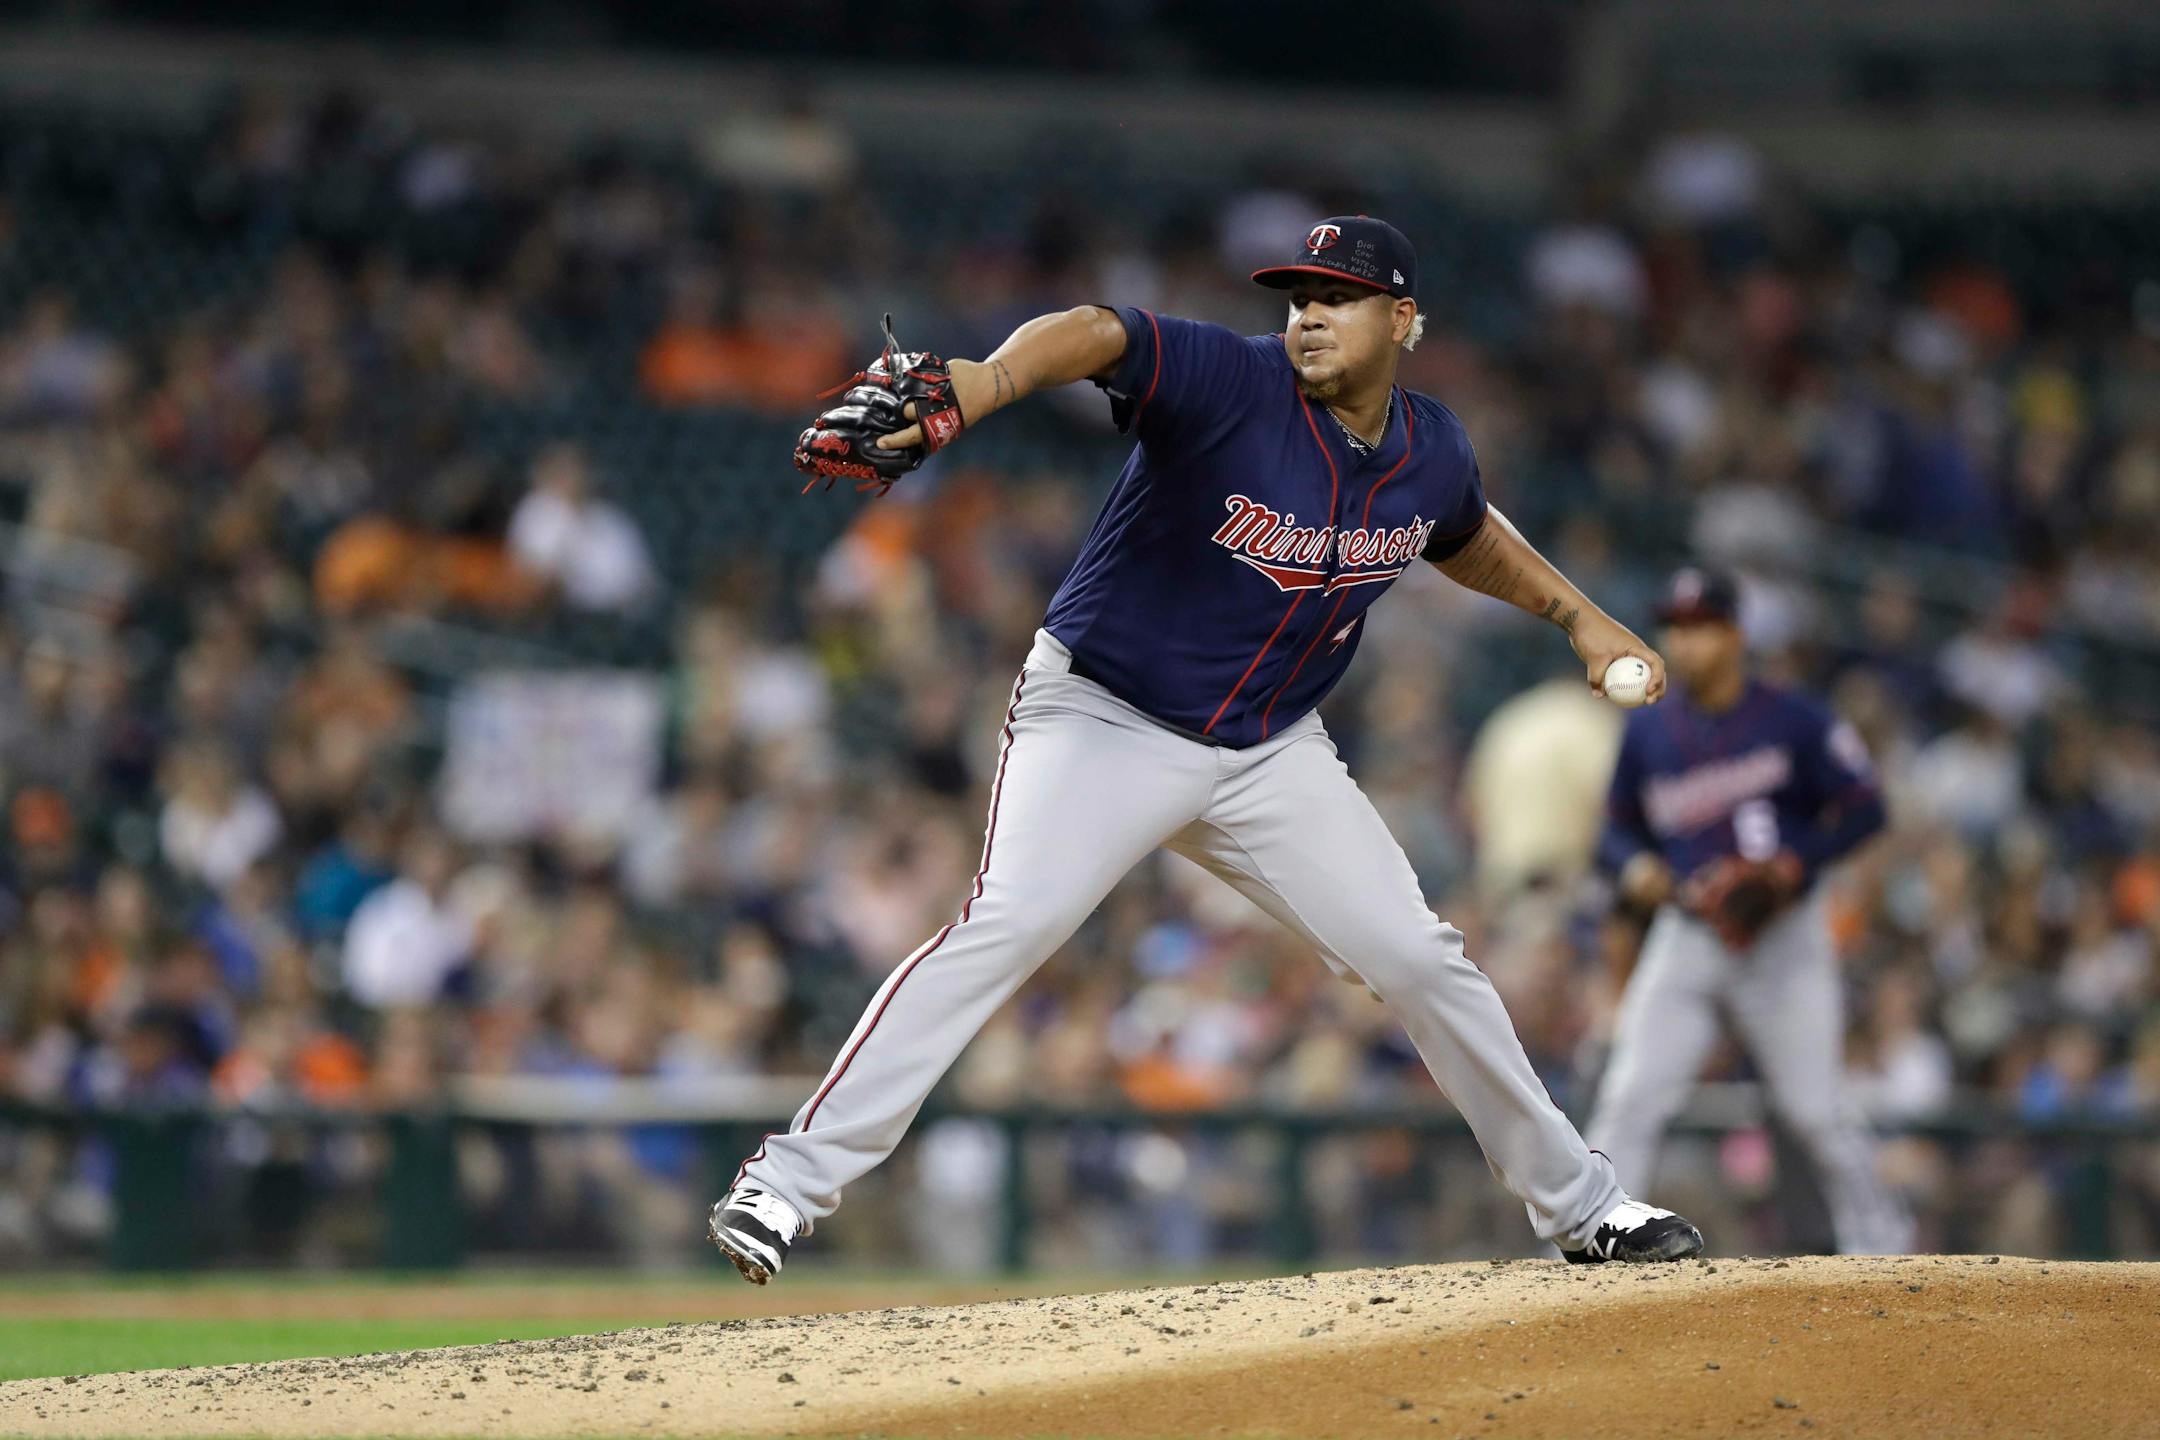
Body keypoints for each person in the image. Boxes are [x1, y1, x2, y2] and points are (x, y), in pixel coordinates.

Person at [711, 216, 1706, 1284]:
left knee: (1424, 961)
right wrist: (987, 384)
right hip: (1106, 720)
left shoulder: (1432, 448)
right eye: (1299, 296)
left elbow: (1462, 534)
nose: (1311, 314)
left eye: (1341, 296)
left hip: (1272, 751)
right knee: (1009, 922)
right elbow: (1096, 332)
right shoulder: (1231, 379)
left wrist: (1579, 618)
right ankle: (787, 1182)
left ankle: (1584, 1209)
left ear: (1403, 320)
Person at [1587, 566, 1913, 1255]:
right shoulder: (1650, 734)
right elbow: (1613, 835)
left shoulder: (1795, 719)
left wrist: (1797, 865)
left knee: (1814, 1112)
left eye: (1700, 626)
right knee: (1631, 1095)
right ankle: (1593, 1237)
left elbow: (1866, 808)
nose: (1685, 642)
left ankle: (1883, 1246)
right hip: (1690, 934)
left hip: (1784, 939)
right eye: (1676, 627)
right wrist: (1638, 868)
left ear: (1735, 634)